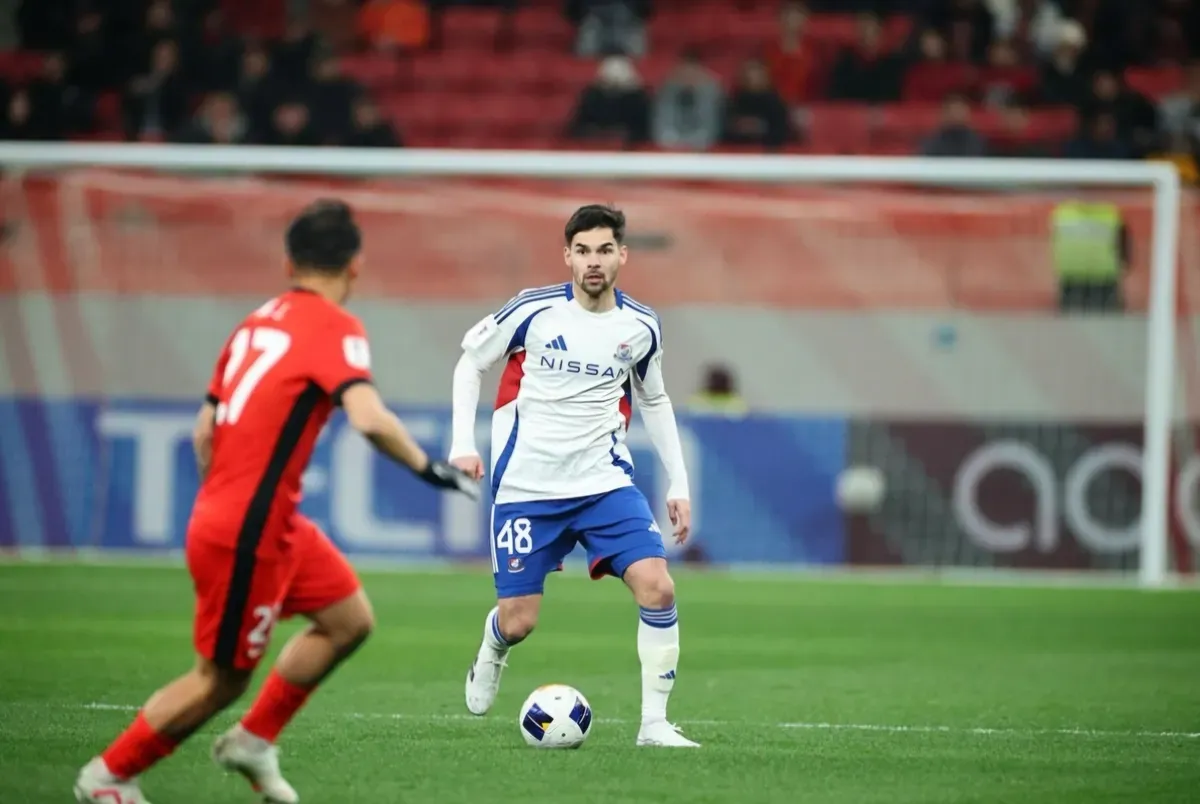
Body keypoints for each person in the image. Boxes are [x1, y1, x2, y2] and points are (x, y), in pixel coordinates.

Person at [73, 200, 479, 804]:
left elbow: (203, 428)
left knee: (348, 621)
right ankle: (107, 777)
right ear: (356, 266)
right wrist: (429, 469)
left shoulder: (255, 322)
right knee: (220, 679)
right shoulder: (335, 327)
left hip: (262, 517)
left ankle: (253, 741)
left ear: (288, 261)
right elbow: (367, 419)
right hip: (249, 528)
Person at [448, 204, 698, 748]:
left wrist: (677, 482)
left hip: (604, 483)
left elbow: (654, 399)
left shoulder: (640, 326)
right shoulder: (532, 311)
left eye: (604, 250)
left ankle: (654, 725)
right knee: (518, 622)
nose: (593, 261)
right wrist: (463, 443)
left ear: (622, 255)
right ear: (567, 256)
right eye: (582, 251)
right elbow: (471, 363)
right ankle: (493, 648)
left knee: (657, 588)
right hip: (527, 490)